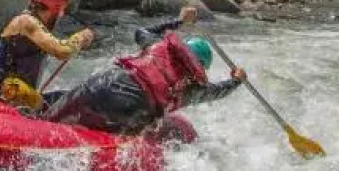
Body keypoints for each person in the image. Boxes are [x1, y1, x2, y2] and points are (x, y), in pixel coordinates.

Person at [42, 32, 245, 136]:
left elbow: (140, 31)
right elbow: (218, 92)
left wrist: (179, 21)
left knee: (50, 118)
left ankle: (37, 122)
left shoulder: (157, 44)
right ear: (201, 67)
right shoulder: (194, 87)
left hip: (105, 83)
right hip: (133, 107)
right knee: (114, 139)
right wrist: (236, 80)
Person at [0, 0, 93, 107]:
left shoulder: (34, 23)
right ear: (56, 7)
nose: (61, 15)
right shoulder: (26, 22)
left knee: (76, 97)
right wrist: (81, 37)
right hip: (3, 96)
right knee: (75, 102)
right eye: (62, 10)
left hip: (16, 95)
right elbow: (62, 51)